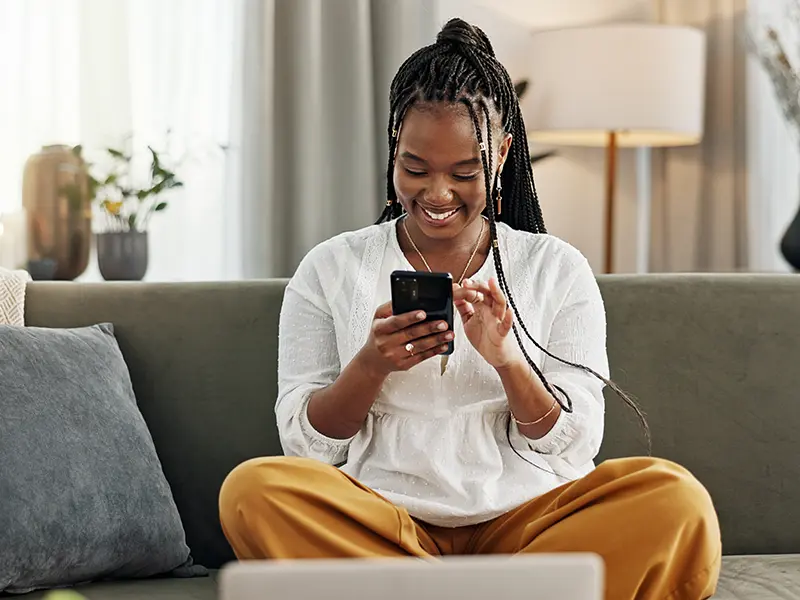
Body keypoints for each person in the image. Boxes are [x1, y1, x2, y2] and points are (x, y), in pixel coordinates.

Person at [219, 18, 721, 600]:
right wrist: (371, 365)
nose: (436, 194)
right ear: (392, 152)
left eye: (464, 172)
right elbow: (307, 448)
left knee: (676, 501)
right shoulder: (331, 268)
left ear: (502, 154)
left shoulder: (556, 268)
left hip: (529, 524)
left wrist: (509, 362)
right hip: (382, 520)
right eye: (415, 168)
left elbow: (576, 444)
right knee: (253, 491)